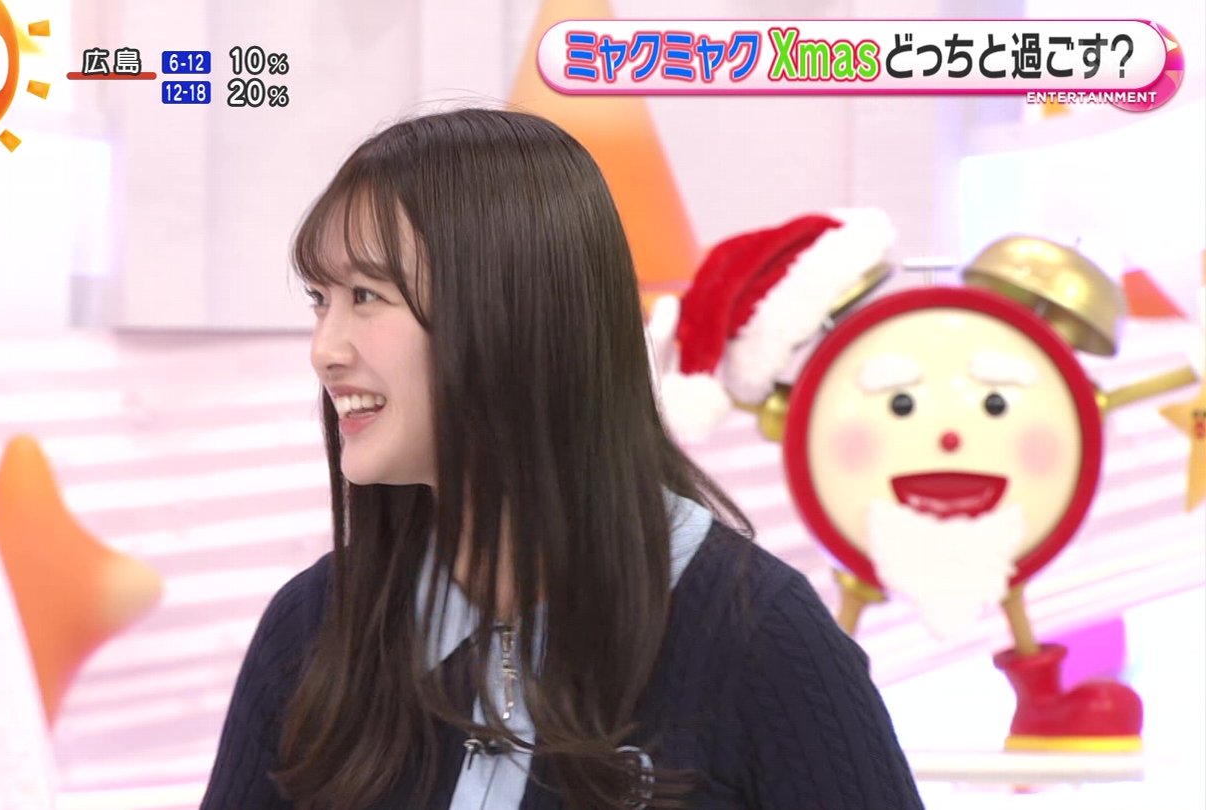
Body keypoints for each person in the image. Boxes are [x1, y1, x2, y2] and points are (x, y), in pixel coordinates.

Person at [200, 107, 923, 809]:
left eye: (365, 295)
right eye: (319, 300)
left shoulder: (757, 635)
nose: (325, 350)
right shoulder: (312, 627)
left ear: (516, 311)